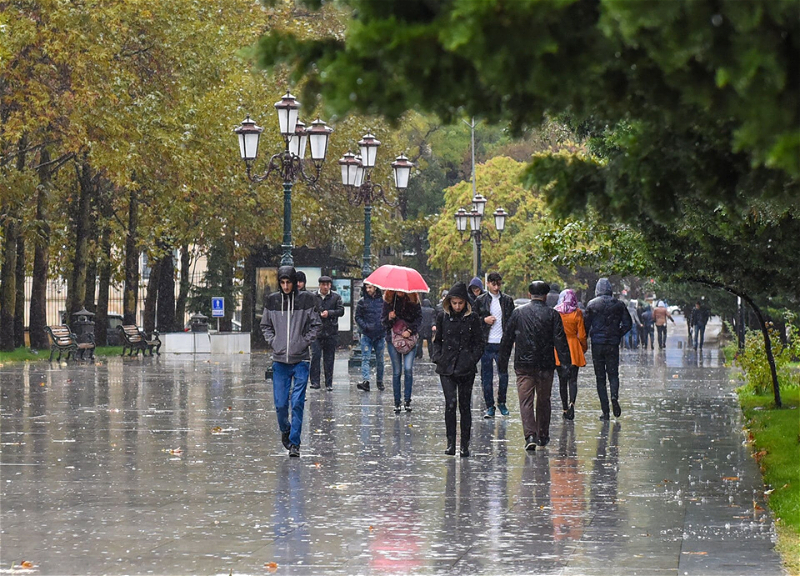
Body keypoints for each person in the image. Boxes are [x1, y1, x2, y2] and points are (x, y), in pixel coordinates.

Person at [499, 281, 570, 451]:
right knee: (544, 400)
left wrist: (502, 362)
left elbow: (507, 340)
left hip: (523, 364)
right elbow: (560, 342)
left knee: (526, 400)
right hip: (545, 364)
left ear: (529, 294)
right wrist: (565, 365)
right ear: (545, 296)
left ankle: (530, 435)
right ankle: (543, 434)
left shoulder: (518, 313)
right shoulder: (553, 315)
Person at [260, 266, 321, 457]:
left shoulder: (307, 300)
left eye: (289, 282)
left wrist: (304, 341)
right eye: (282, 282)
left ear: (294, 282)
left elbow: (316, 324)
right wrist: (273, 342)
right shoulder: (272, 301)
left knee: (297, 402)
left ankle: (295, 443)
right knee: (280, 404)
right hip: (279, 360)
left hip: (301, 359)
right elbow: (265, 325)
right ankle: (285, 429)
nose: (285, 286)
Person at [432, 282, 485, 457]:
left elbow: (479, 343)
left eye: (460, 303)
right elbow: (437, 340)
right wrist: (437, 357)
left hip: (465, 367)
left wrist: (471, 360)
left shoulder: (473, 318)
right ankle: (450, 442)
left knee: (464, 405)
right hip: (446, 366)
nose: (457, 306)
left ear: (465, 303)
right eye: (454, 303)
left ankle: (465, 444)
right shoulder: (443, 317)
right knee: (450, 404)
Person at [584, 278, 632, 420]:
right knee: (613, 374)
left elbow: (585, 326)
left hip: (597, 344)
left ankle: (605, 411)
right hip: (612, 343)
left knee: (600, 378)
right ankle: (614, 396)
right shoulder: (619, 304)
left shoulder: (592, 304)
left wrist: (587, 339)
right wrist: (617, 333)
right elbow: (628, 324)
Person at [475, 271, 515, 418]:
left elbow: (512, 321)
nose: (496, 287)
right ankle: (489, 406)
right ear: (488, 284)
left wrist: (512, 339)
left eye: (498, 284)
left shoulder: (507, 301)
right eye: (493, 284)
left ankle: (502, 402)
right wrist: (484, 320)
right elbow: (473, 319)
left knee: (503, 375)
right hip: (486, 343)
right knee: (487, 377)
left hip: (502, 343)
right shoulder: (480, 300)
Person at [382, 290, 422, 413]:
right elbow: (383, 322)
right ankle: (397, 401)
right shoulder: (389, 300)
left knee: (408, 369)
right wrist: (389, 317)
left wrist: (410, 330)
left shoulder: (413, 300)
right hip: (393, 340)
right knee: (397, 371)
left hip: (410, 339)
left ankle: (407, 400)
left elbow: (419, 319)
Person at [554, 289, 587, 421]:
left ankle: (564, 408)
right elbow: (582, 334)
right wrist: (583, 348)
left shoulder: (556, 312)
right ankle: (572, 404)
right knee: (573, 380)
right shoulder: (577, 312)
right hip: (574, 347)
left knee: (562, 380)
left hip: (559, 348)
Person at [310, 276, 344, 391]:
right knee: (315, 356)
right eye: (323, 284)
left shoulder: (335, 297)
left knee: (329, 358)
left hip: (330, 332)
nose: (325, 287)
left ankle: (328, 382)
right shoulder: (313, 297)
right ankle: (315, 381)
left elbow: (341, 311)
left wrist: (329, 313)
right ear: (319, 285)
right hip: (316, 333)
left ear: (330, 285)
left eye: (327, 285)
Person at [355, 282, 385, 391]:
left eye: (370, 287)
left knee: (380, 360)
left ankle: (379, 381)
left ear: (375, 287)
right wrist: (365, 326)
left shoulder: (382, 302)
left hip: (379, 334)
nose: (368, 290)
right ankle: (366, 381)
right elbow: (358, 317)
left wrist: (383, 326)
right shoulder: (362, 302)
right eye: (366, 287)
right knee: (365, 358)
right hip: (367, 334)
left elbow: (385, 316)